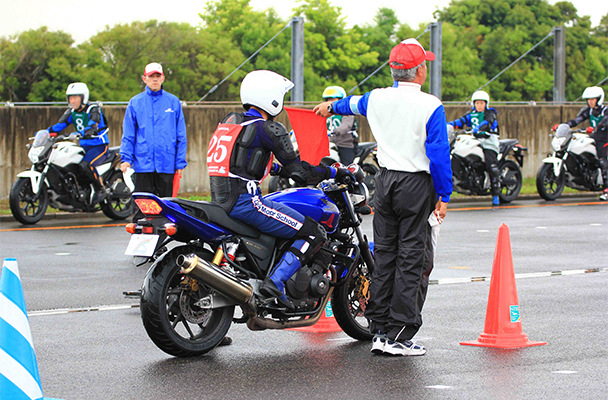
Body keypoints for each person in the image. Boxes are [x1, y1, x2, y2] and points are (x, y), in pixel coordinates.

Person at [314, 38, 452, 357]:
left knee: (386, 255)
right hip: (416, 184)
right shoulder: (430, 105)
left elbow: (349, 103)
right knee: (412, 258)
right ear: (419, 71)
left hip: (385, 182)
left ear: (393, 70)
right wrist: (444, 194)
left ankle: (378, 329)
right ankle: (400, 334)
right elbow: (439, 155)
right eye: (424, 65)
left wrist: (327, 107)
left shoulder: (376, 98)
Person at [208, 70, 353, 310]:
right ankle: (274, 284)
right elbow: (301, 173)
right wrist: (333, 172)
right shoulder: (269, 129)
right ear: (272, 98)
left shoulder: (231, 122)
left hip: (220, 201)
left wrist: (277, 169)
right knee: (313, 232)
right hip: (247, 203)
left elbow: (248, 162)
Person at [120, 62, 188, 222]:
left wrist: (179, 163)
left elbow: (181, 135)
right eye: (151, 77)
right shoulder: (135, 102)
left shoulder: (173, 102)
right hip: (143, 164)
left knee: (166, 208)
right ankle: (140, 240)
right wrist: (126, 159)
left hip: (167, 163)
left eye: (158, 76)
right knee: (142, 209)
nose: (155, 80)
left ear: (163, 78)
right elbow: (129, 134)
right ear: (144, 79)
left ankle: (161, 242)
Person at [48, 82, 110, 204]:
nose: (72, 100)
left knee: (86, 165)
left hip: (99, 146)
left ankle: (100, 189)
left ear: (83, 97)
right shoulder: (71, 112)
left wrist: (81, 132)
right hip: (83, 146)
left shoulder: (93, 109)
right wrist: (44, 133)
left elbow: (93, 125)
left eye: (75, 97)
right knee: (72, 167)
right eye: (70, 98)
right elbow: (59, 126)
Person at [448, 90, 500, 205]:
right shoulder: (471, 114)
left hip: (489, 142)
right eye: (477, 103)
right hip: (475, 140)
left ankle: (496, 193)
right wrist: (449, 124)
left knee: (491, 166)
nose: (479, 105)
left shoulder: (490, 113)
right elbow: (461, 121)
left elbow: (488, 122)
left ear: (486, 104)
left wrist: (480, 128)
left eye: (482, 103)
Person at [559, 86, 607, 201]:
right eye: (588, 99)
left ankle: (606, 189)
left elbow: (605, 121)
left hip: (605, 139)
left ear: (599, 99)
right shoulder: (587, 110)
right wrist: (564, 125)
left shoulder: (606, 110)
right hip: (594, 137)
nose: (590, 101)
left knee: (603, 160)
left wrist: (596, 127)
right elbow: (577, 120)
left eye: (593, 99)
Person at [323, 86, 358, 165]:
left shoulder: (347, 112)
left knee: (346, 167)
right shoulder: (324, 112)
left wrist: (335, 131)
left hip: (345, 143)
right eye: (328, 99)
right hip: (329, 143)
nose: (330, 101)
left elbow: (346, 126)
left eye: (333, 99)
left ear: (341, 99)